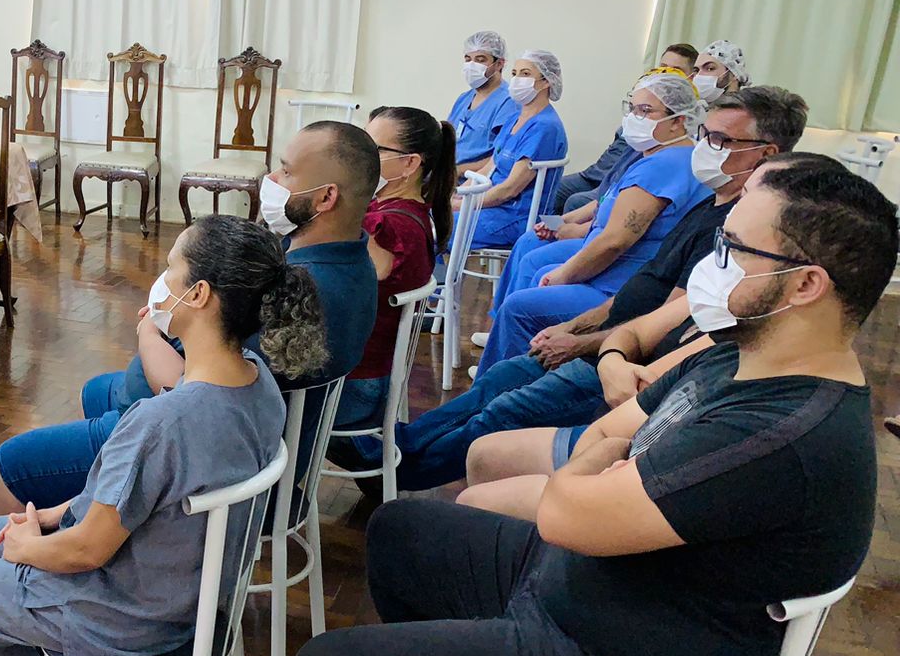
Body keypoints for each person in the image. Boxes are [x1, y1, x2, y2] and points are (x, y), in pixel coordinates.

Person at [247, 160, 897, 656]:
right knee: (402, 532)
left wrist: (591, 475)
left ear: (806, 285)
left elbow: (569, 511)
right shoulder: (742, 353)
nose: (708, 266)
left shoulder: (781, 437)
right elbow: (606, 436)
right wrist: (596, 469)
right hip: (595, 602)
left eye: (733, 248)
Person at [0, 216, 319, 656]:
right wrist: (56, 515)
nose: (161, 277)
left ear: (198, 294)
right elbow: (129, 500)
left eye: (171, 267)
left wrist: (27, 549)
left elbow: (86, 552)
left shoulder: (162, 423)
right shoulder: (259, 385)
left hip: (125, 613)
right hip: (187, 589)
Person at [330, 101, 817, 489]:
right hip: (610, 339)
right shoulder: (713, 208)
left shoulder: (742, 244)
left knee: (506, 410)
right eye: (705, 133)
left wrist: (589, 344)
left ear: (766, 154)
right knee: (499, 378)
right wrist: (577, 327)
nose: (702, 146)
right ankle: (393, 452)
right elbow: (643, 292)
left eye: (718, 139)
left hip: (625, 362)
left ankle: (399, 471)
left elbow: (671, 319)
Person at [0, 121, 380, 512]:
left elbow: (190, 394)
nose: (273, 178)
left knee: (10, 464)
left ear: (326, 196)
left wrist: (149, 332)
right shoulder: (343, 259)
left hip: (199, 456)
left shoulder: (314, 294)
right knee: (94, 390)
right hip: (184, 421)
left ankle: (64, 554)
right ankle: (96, 508)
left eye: (287, 171)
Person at [471, 71, 709, 374]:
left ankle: (498, 386)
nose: (634, 118)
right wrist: (561, 227)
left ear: (679, 119)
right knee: (536, 261)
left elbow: (615, 241)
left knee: (522, 304)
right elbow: (606, 207)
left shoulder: (663, 167)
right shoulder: (654, 155)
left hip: (619, 286)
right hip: (617, 269)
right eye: (632, 108)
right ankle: (508, 357)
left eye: (646, 111)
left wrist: (565, 274)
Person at [332, 107, 454, 439]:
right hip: (367, 375)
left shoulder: (388, 227)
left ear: (410, 163)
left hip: (352, 387)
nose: (360, 157)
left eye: (373, 149)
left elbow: (336, 293)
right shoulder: (403, 212)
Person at [554, 42, 698, 210]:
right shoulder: (638, 120)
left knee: (576, 202)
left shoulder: (665, 132)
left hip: (618, 186)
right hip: (604, 176)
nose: (665, 73)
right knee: (556, 191)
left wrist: (574, 229)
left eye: (676, 70)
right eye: (663, 67)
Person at [462, 50, 568, 251]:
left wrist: (464, 204)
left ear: (546, 82)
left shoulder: (545, 128)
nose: (517, 80)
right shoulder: (515, 119)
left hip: (515, 215)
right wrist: (460, 195)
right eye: (515, 73)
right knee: (432, 216)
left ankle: (445, 280)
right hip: (493, 207)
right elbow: (490, 167)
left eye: (526, 74)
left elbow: (509, 189)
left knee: (440, 227)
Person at [447, 31, 517, 171]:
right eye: (468, 59)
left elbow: (504, 156)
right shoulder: (464, 98)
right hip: (448, 174)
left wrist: (461, 171)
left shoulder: (509, 102)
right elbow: (446, 137)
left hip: (476, 182)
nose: (472, 65)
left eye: (480, 60)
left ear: (499, 64)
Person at [693, 38, 750, 103]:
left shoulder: (749, 111)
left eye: (710, 68)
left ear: (734, 74)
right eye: (696, 70)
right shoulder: (698, 110)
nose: (699, 75)